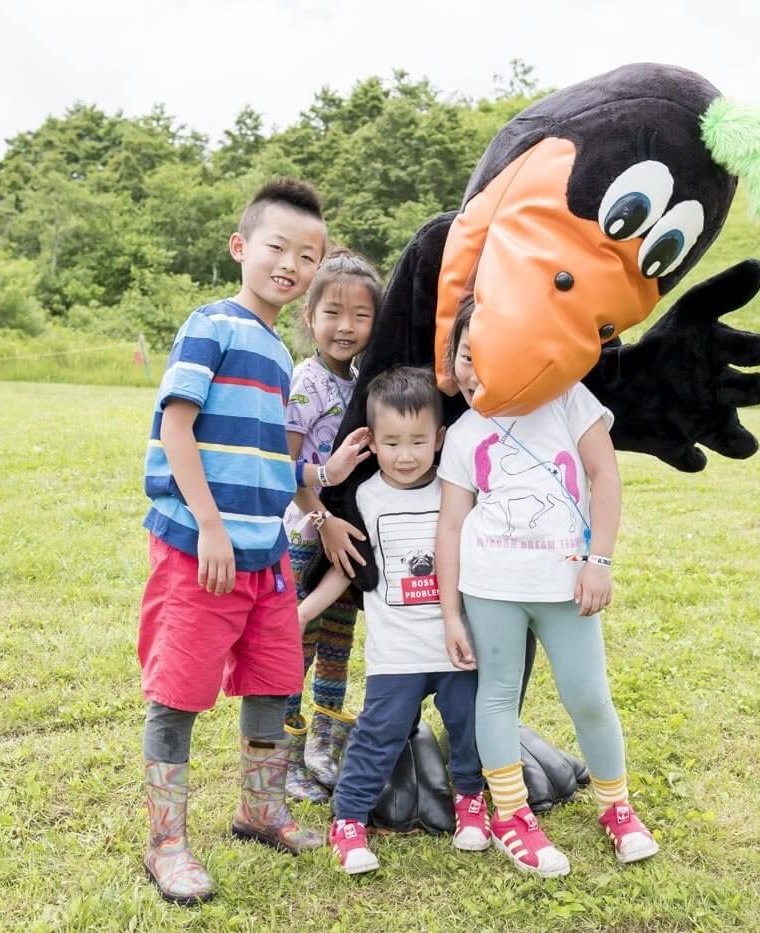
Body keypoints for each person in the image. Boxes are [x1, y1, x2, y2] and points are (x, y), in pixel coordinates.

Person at [137, 178, 372, 907]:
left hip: (266, 554)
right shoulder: (212, 325)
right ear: (242, 247)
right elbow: (176, 425)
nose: (292, 263)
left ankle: (261, 808)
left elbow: (268, 457)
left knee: (274, 678)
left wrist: (319, 480)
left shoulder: (276, 353)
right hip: (200, 549)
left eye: (310, 254)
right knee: (178, 694)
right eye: (279, 247)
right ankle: (165, 841)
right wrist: (207, 521)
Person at [435, 296, 658, 878]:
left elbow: (604, 475)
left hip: (567, 585)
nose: (472, 368)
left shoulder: (566, 400)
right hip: (491, 587)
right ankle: (511, 816)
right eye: (463, 355)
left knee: (588, 696)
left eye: (484, 353)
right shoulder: (462, 434)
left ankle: (617, 807)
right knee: (499, 695)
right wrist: (451, 612)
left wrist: (600, 560)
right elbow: (452, 524)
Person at [297, 366, 491, 874]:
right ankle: (349, 822)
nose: (405, 455)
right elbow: (350, 570)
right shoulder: (365, 498)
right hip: (396, 653)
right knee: (377, 735)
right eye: (392, 442)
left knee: (470, 728)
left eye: (418, 441)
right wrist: (301, 614)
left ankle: (471, 802)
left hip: (456, 647)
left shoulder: (457, 490)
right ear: (371, 442)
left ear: (440, 438)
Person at [280, 251, 381, 804]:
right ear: (309, 314)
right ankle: (286, 756)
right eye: (333, 313)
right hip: (307, 535)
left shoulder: (365, 379)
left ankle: (325, 745)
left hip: (349, 532)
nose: (346, 327)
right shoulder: (306, 381)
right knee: (296, 645)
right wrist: (322, 518)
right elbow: (289, 467)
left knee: (339, 641)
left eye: (362, 316)